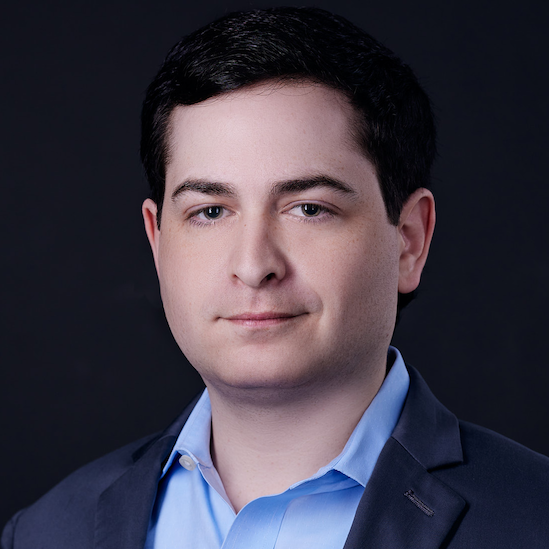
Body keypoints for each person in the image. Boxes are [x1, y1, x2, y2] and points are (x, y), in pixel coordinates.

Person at [2, 6, 549, 549]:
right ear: (158, 241)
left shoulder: (532, 519)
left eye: (309, 208)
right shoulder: (45, 533)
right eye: (210, 211)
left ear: (409, 239)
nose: (254, 264)